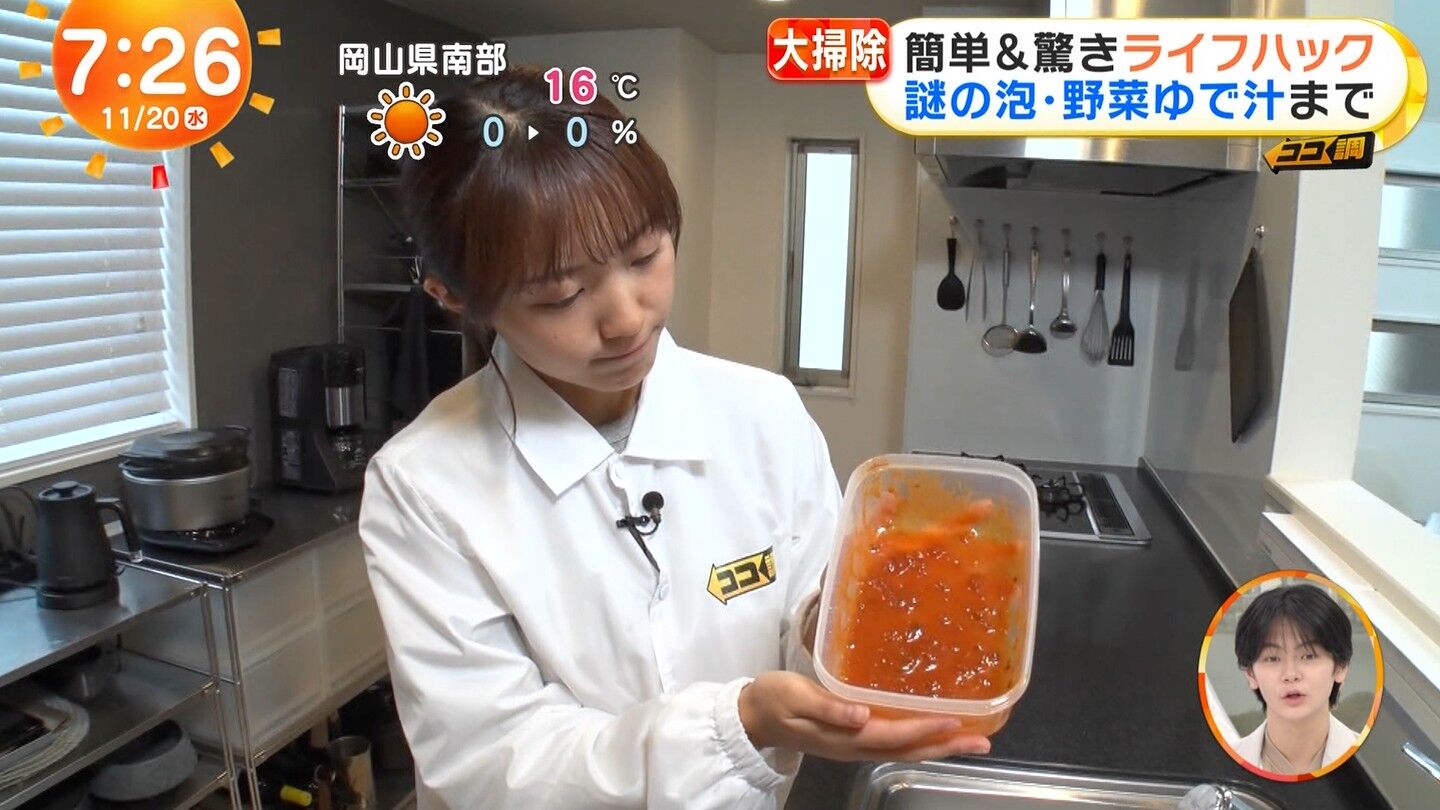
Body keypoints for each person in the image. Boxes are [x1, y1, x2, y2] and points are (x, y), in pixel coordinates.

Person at [356, 66, 990, 810]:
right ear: (458, 297)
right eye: (561, 295)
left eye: (644, 257)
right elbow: (492, 765)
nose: (627, 317)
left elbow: (808, 612)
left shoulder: (762, 413)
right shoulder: (424, 484)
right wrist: (734, 726)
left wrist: (845, 620)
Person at [1231, 583, 1361, 775]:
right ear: (1250, 674)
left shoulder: (1376, 764)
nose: (1291, 674)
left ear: (1341, 666)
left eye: (1308, 656)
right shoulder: (1224, 765)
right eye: (1272, 658)